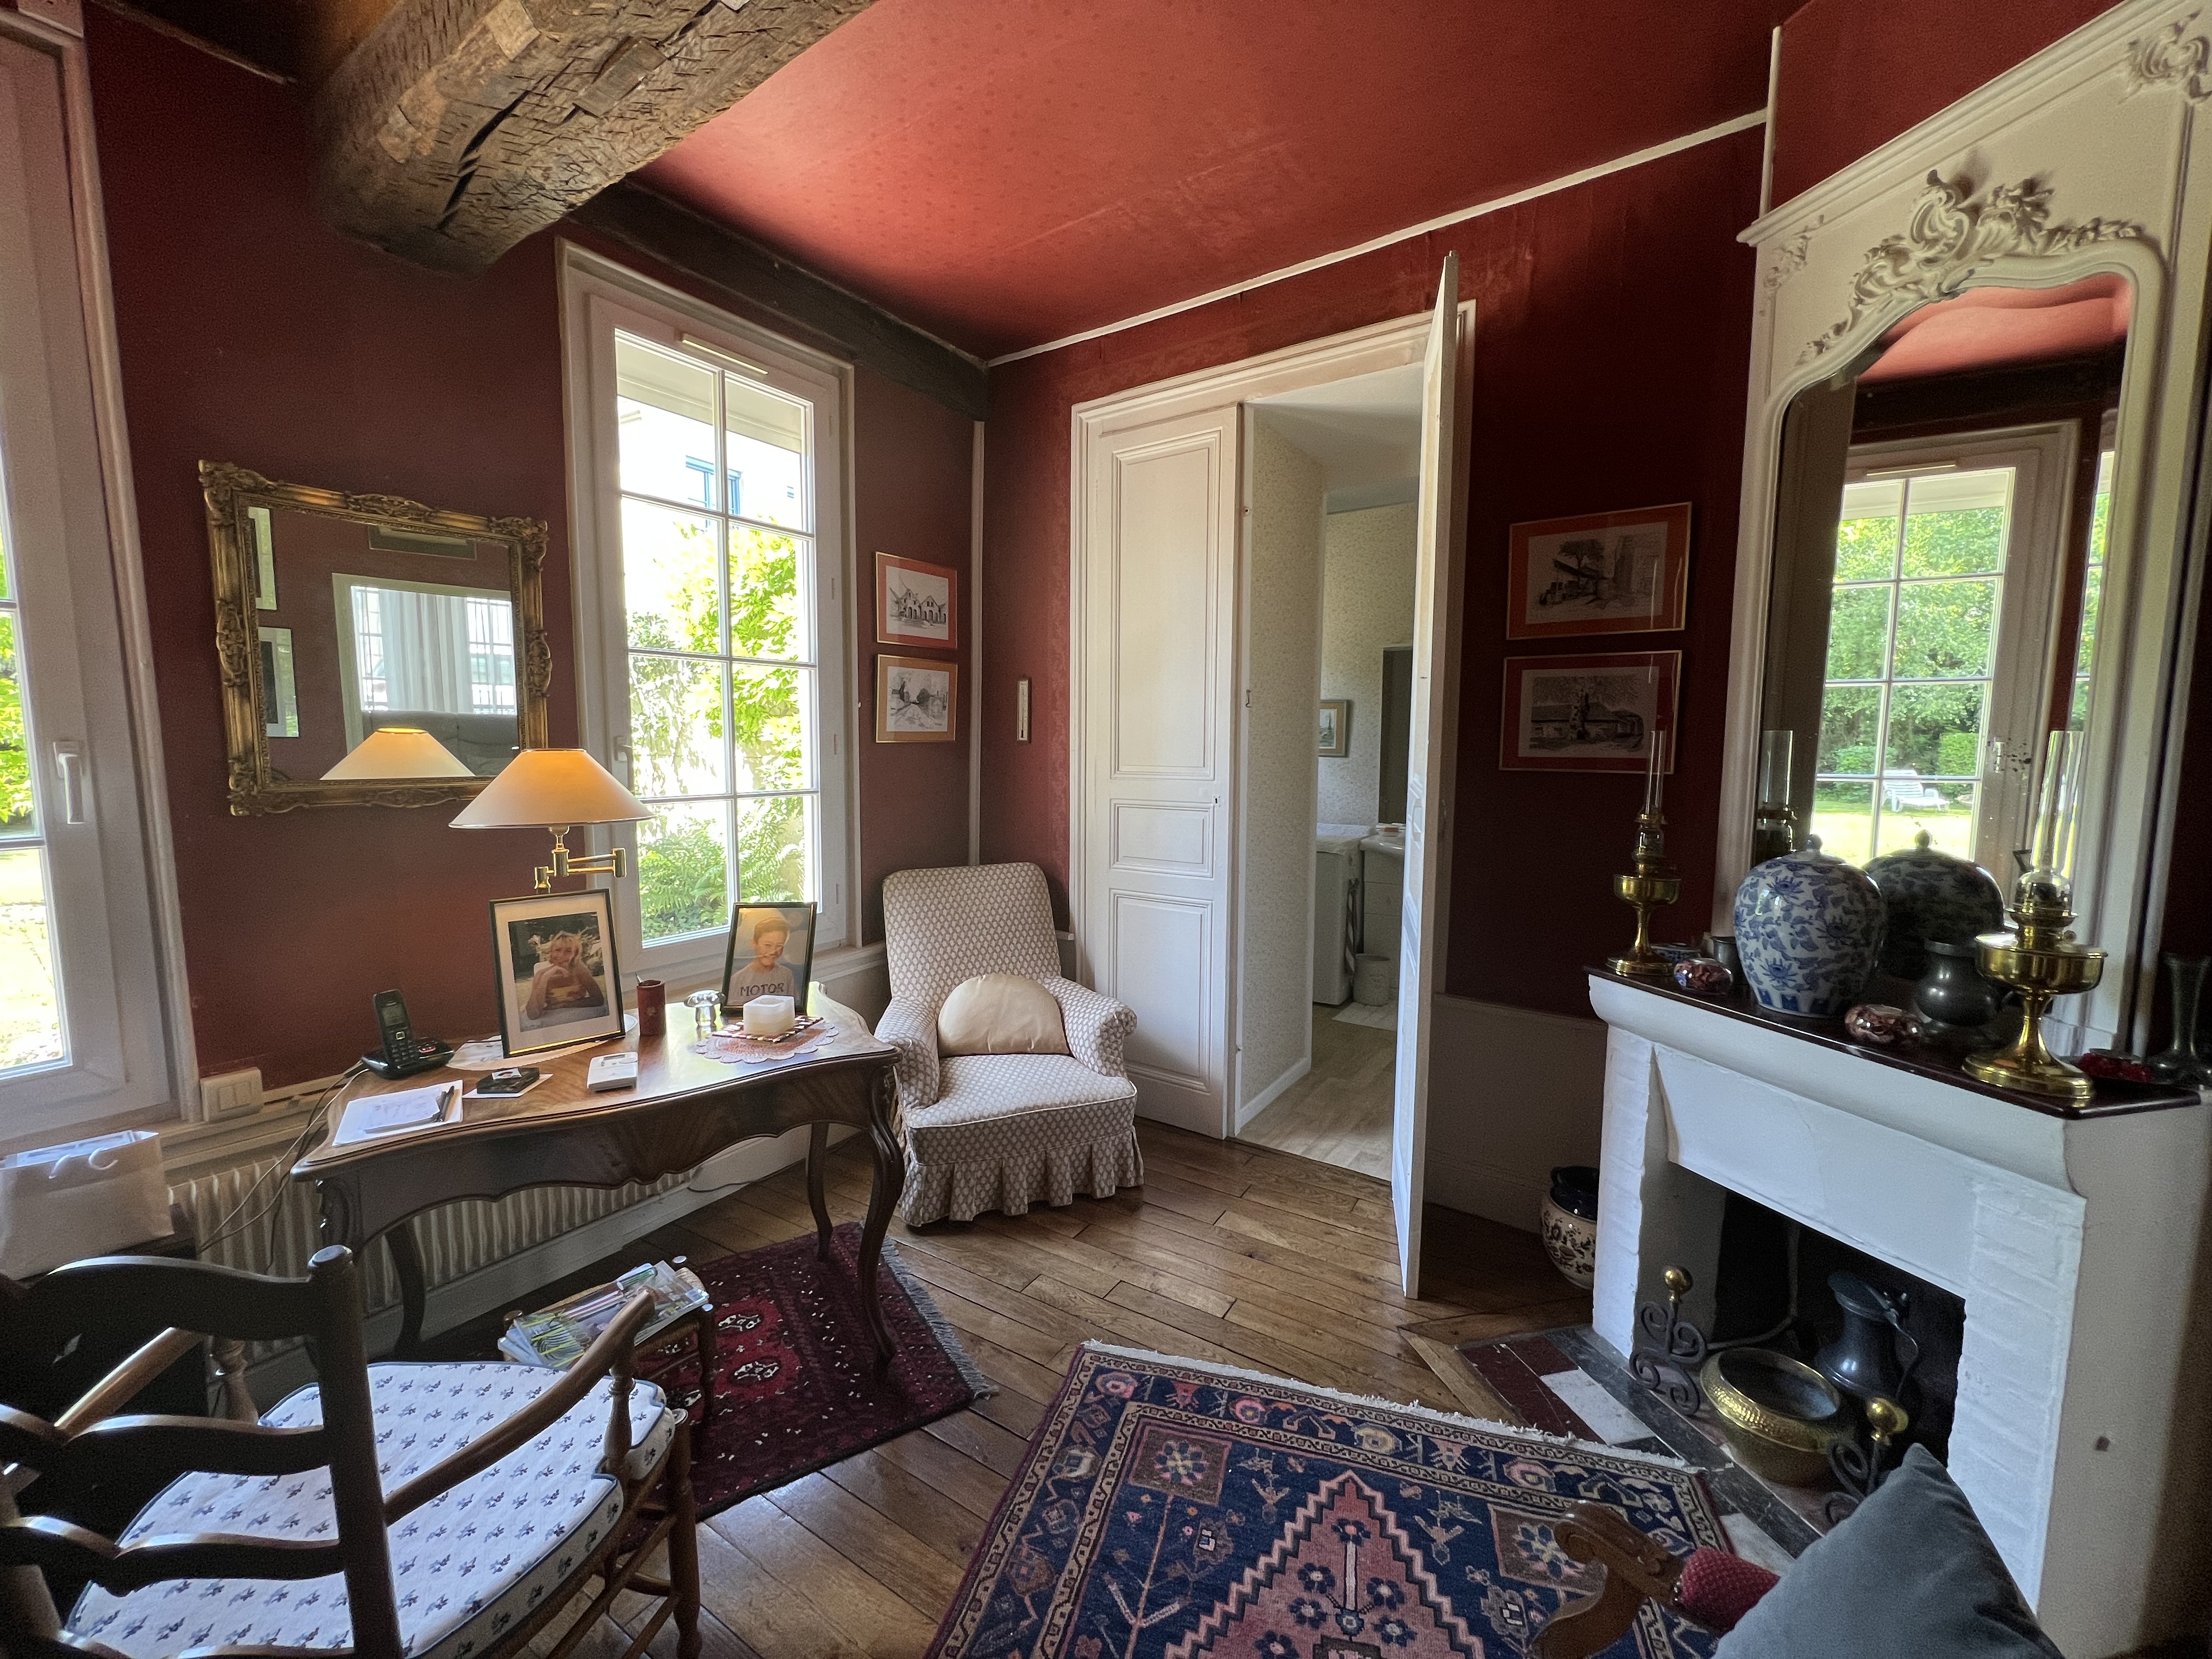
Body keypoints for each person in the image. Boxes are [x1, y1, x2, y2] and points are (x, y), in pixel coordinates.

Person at [522, 928, 606, 1026]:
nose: (561, 955)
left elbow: (599, 1000)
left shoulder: (580, 971)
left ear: (575, 954)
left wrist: (564, 1005)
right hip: (552, 1021)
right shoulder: (542, 975)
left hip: (577, 1017)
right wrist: (545, 978)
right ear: (551, 952)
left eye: (568, 951)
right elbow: (533, 1015)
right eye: (557, 950)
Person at [725, 912, 802, 1012]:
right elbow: (733, 1013)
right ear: (754, 944)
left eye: (779, 946)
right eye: (768, 945)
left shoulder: (787, 975)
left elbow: (794, 1009)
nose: (773, 951)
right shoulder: (738, 979)